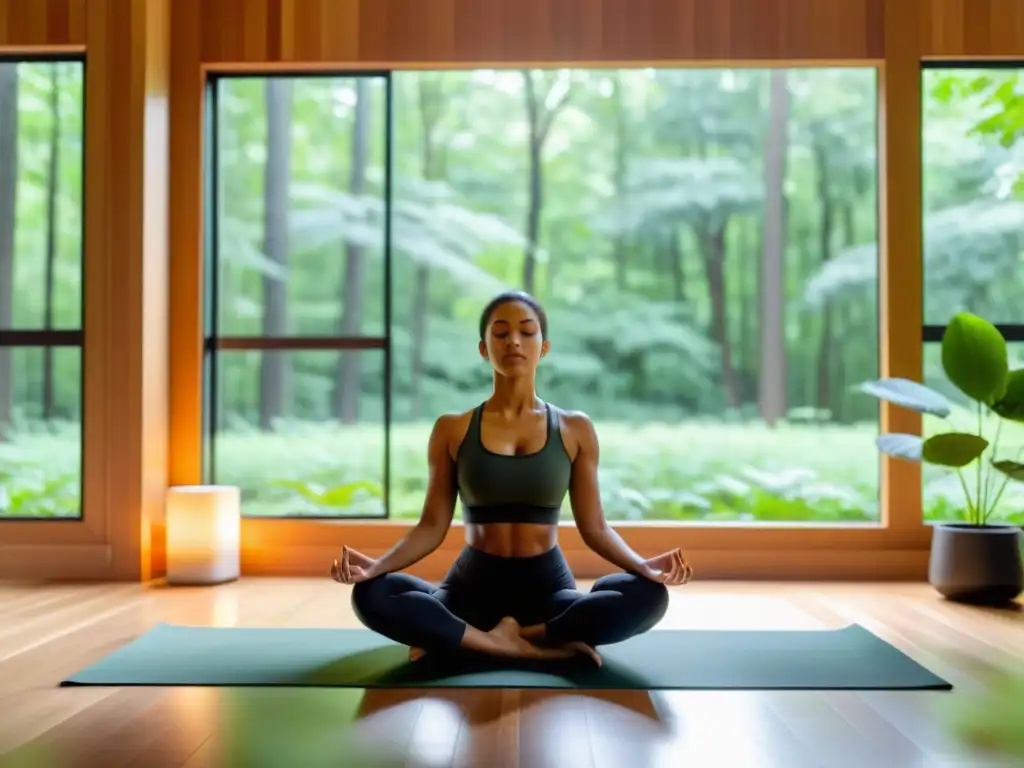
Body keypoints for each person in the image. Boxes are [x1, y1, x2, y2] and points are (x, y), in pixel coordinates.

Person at [332, 290, 693, 666]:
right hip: (469, 590)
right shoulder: (452, 429)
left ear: (544, 346)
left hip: (547, 591)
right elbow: (431, 526)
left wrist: (644, 566)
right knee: (369, 594)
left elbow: (596, 528)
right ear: (484, 349)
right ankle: (521, 646)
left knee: (650, 597)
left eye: (527, 331)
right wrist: (376, 567)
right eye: (501, 333)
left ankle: (478, 639)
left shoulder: (575, 429)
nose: (514, 341)